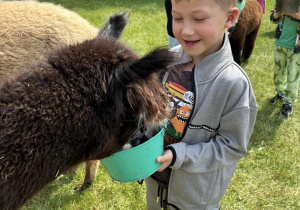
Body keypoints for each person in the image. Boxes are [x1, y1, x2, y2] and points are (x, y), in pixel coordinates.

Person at [145, 0, 257, 209]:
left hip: (194, 199)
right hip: (157, 188)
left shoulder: (233, 84)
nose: (186, 30)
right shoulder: (168, 61)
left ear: (230, 18)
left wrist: (181, 155)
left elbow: (232, 146)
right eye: (177, 18)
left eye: (198, 19)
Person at [269, 5, 300, 118]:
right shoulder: (284, 2)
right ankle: (280, 92)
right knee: (278, 72)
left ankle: (288, 102)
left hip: (296, 47)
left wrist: (294, 14)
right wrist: (277, 13)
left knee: (293, 75)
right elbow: (273, 19)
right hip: (280, 43)